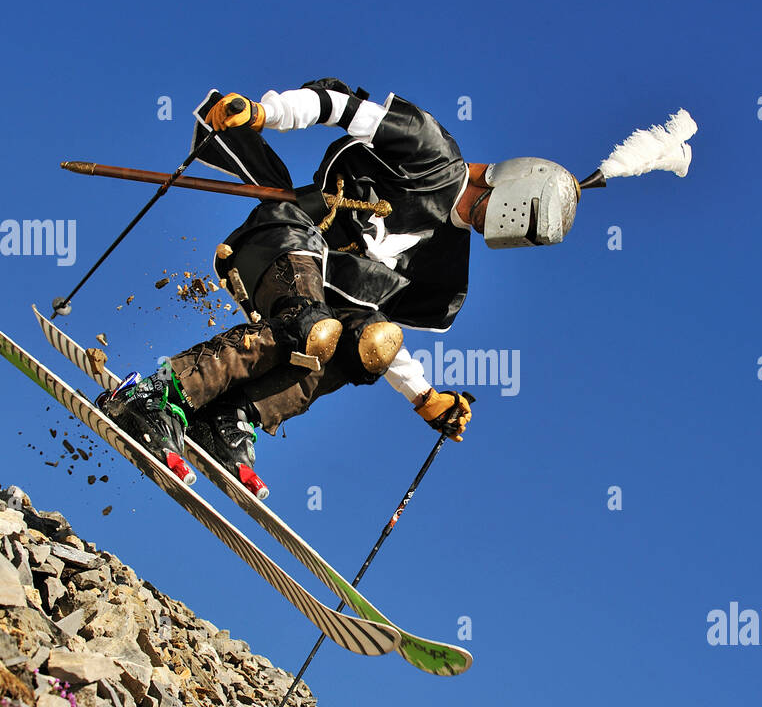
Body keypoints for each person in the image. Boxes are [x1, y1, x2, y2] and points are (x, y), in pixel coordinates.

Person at [100, 78, 582, 485]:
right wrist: (265, 113)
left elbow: (377, 327)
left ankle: (230, 417)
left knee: (372, 342)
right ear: (512, 188)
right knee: (312, 325)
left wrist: (424, 398)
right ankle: (161, 393)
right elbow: (336, 106)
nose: (495, 229)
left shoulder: (444, 263)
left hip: (325, 296)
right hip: (279, 241)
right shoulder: (429, 150)